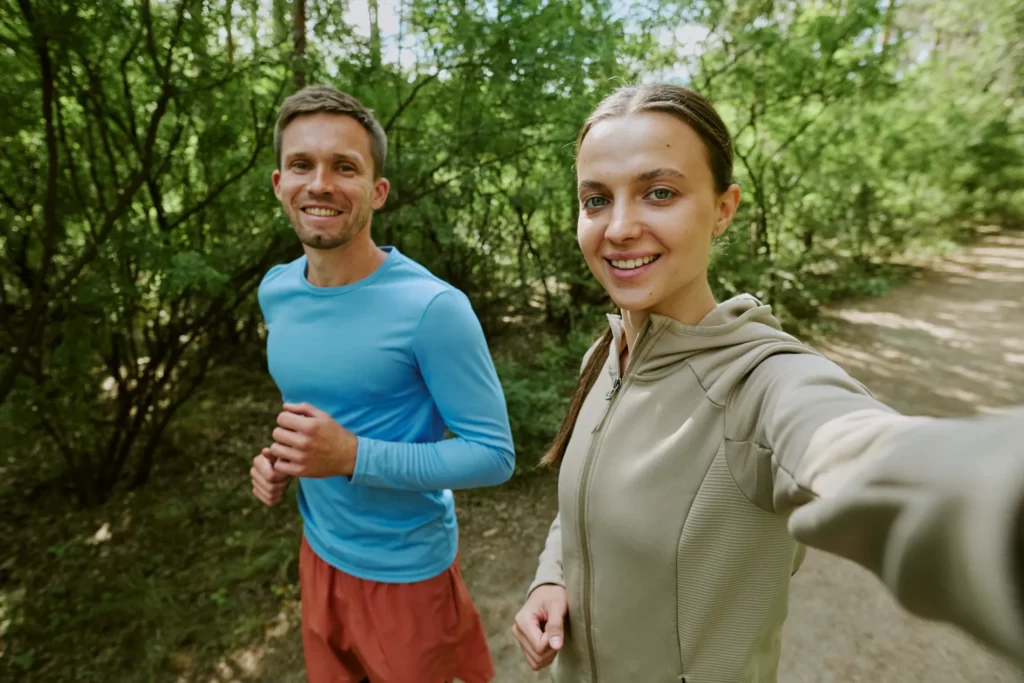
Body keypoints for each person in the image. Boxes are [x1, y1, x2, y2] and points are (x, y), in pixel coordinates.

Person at [512, 83, 1024, 682]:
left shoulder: (764, 385)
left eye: (659, 193)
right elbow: (584, 501)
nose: (619, 227)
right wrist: (552, 574)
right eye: (596, 200)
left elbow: (864, 453)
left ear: (723, 209)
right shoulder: (605, 354)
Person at [251, 84, 514, 683]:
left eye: (344, 166)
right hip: (318, 556)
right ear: (279, 185)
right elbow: (320, 409)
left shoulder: (433, 308)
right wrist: (278, 459)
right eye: (301, 164)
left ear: (377, 191)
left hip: (406, 576)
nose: (320, 183)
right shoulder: (277, 289)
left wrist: (351, 456)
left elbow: (495, 456)